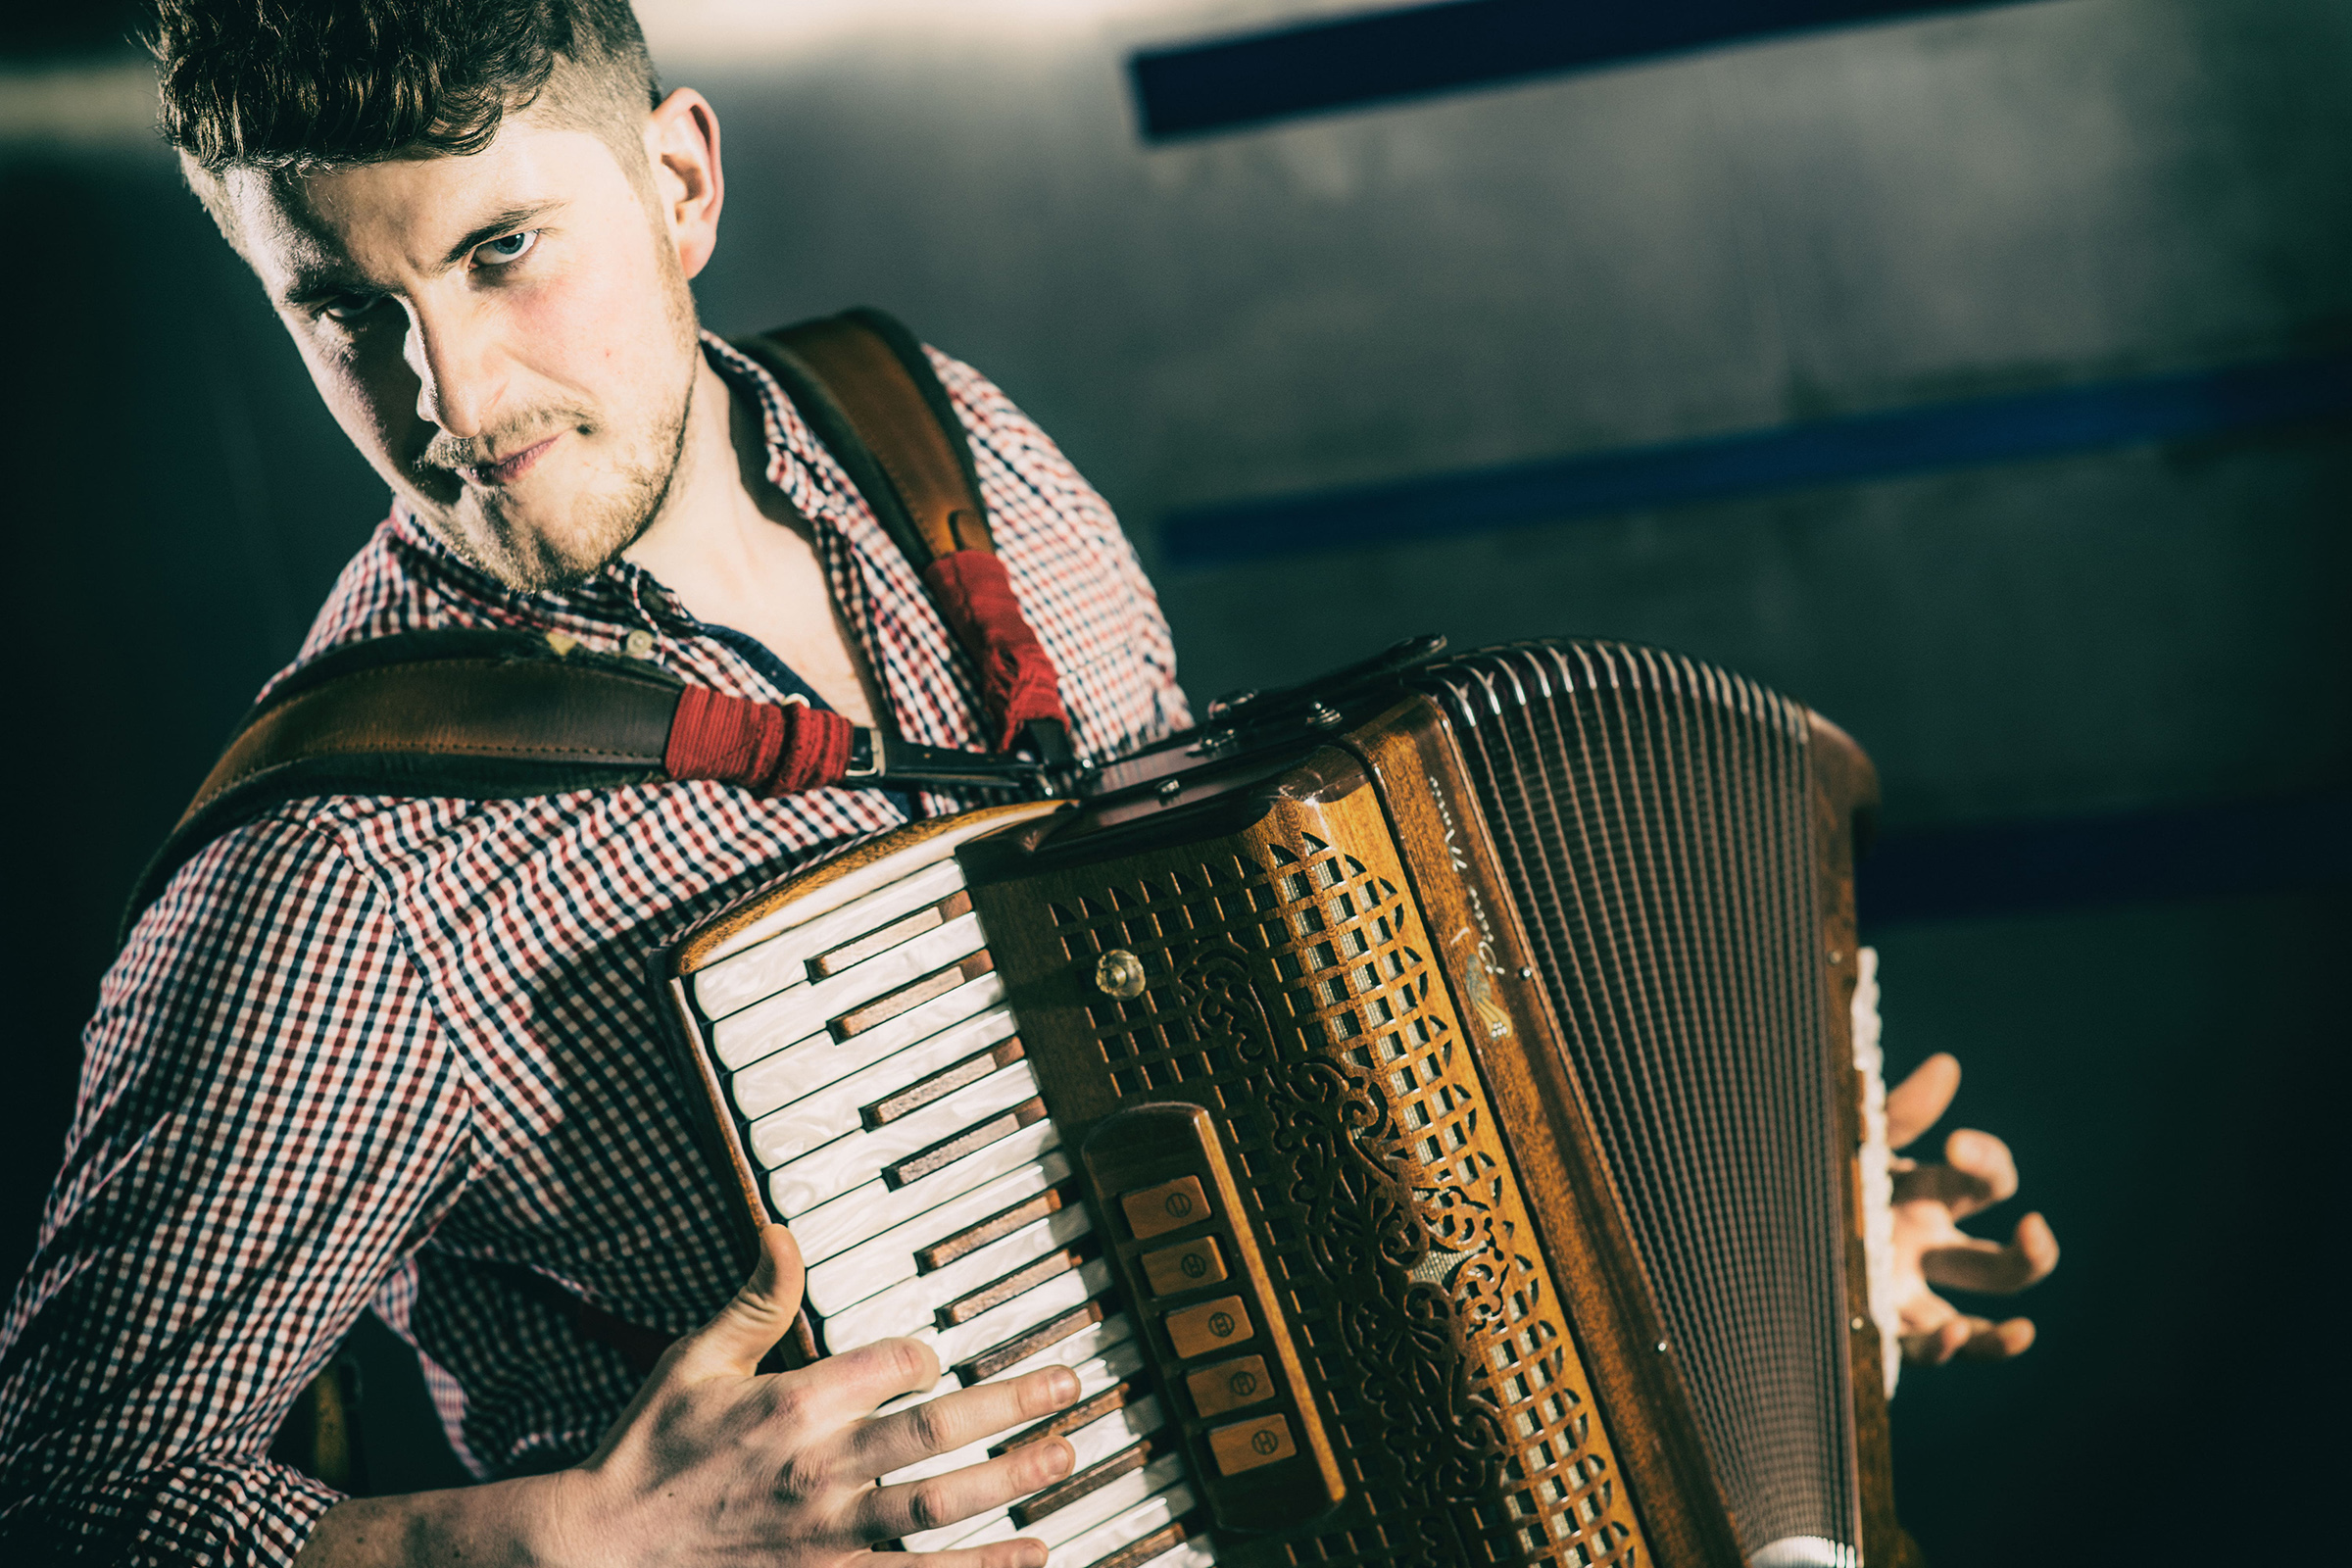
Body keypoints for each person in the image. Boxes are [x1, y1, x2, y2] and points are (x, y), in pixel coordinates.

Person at [0, 2, 2057, 1564]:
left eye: (503, 252)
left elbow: (1293, 1057)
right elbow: (70, 1496)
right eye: (341, 310)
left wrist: (1775, 1284)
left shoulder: (950, 444)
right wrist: (564, 1547)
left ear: (682, 183)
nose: (450, 394)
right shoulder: (342, 877)